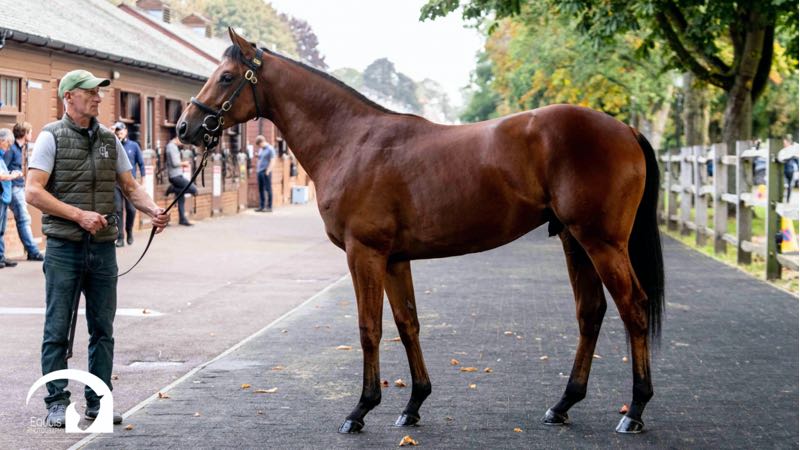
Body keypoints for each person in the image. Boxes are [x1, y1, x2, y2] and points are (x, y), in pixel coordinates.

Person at [25, 69, 170, 428]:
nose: (98, 97)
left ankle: (98, 402)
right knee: (57, 328)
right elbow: (33, 191)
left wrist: (153, 210)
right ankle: (57, 403)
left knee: (103, 328)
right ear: (68, 96)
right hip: (64, 248)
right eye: (89, 92)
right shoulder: (50, 137)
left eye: (99, 92)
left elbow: (130, 186)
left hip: (103, 248)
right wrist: (79, 215)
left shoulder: (109, 139)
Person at [3, 122, 46, 261]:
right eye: (30, 132)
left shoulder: (21, 148)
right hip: (13, 187)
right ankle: (33, 251)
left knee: (23, 219)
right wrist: (14, 175)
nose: (32, 134)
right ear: (24, 133)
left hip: (19, 187)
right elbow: (3, 168)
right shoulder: (11, 149)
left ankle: (32, 251)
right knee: (23, 219)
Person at [112, 122, 144, 247]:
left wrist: (143, 181)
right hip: (116, 184)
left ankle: (129, 230)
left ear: (126, 131)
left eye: (121, 130)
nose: (119, 133)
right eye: (117, 131)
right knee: (118, 210)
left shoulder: (133, 145)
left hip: (130, 183)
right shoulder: (113, 144)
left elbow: (141, 163)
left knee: (131, 209)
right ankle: (120, 237)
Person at [0, 128, 24, 268]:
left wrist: (10, 173)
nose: (8, 148)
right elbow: (1, 176)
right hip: (1, 196)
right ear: (1, 141)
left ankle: (1, 256)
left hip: (4, 197)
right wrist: (13, 175)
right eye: (7, 144)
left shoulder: (2, 157)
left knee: (1, 230)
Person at [165, 133, 197, 226]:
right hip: (175, 176)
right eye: (182, 140)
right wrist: (184, 163)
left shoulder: (173, 147)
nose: (182, 143)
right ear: (177, 138)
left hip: (178, 175)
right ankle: (172, 189)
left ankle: (182, 219)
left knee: (181, 198)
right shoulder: (171, 147)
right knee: (193, 189)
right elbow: (175, 163)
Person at [254, 135, 275, 212]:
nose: (259, 146)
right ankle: (262, 206)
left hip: (266, 172)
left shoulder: (270, 149)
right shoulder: (261, 149)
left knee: (268, 189)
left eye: (259, 145)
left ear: (262, 142)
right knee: (261, 189)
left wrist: (268, 171)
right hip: (259, 171)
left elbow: (273, 161)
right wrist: (257, 156)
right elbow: (261, 158)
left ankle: (269, 207)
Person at [781, 135, 799, 202]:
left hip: (790, 170)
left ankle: (787, 200)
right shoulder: (784, 150)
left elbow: (796, 160)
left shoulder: (791, 150)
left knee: (789, 186)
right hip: (784, 170)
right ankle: (783, 198)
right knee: (786, 185)